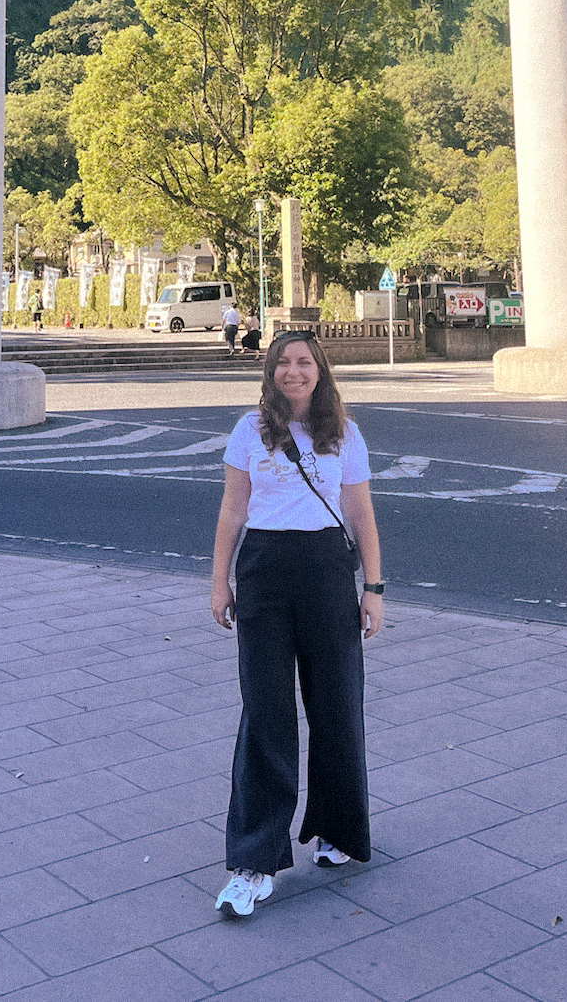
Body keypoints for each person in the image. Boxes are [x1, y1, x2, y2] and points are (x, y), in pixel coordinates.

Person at [210, 331, 383, 919]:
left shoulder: (346, 434)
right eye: (283, 363)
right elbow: (233, 509)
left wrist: (374, 588)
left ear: (320, 371)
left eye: (304, 363)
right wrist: (219, 582)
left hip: (327, 572)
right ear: (270, 372)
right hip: (263, 571)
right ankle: (253, 861)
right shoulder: (249, 430)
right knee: (265, 712)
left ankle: (338, 831)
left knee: (336, 704)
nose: (293, 372)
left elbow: (360, 512)